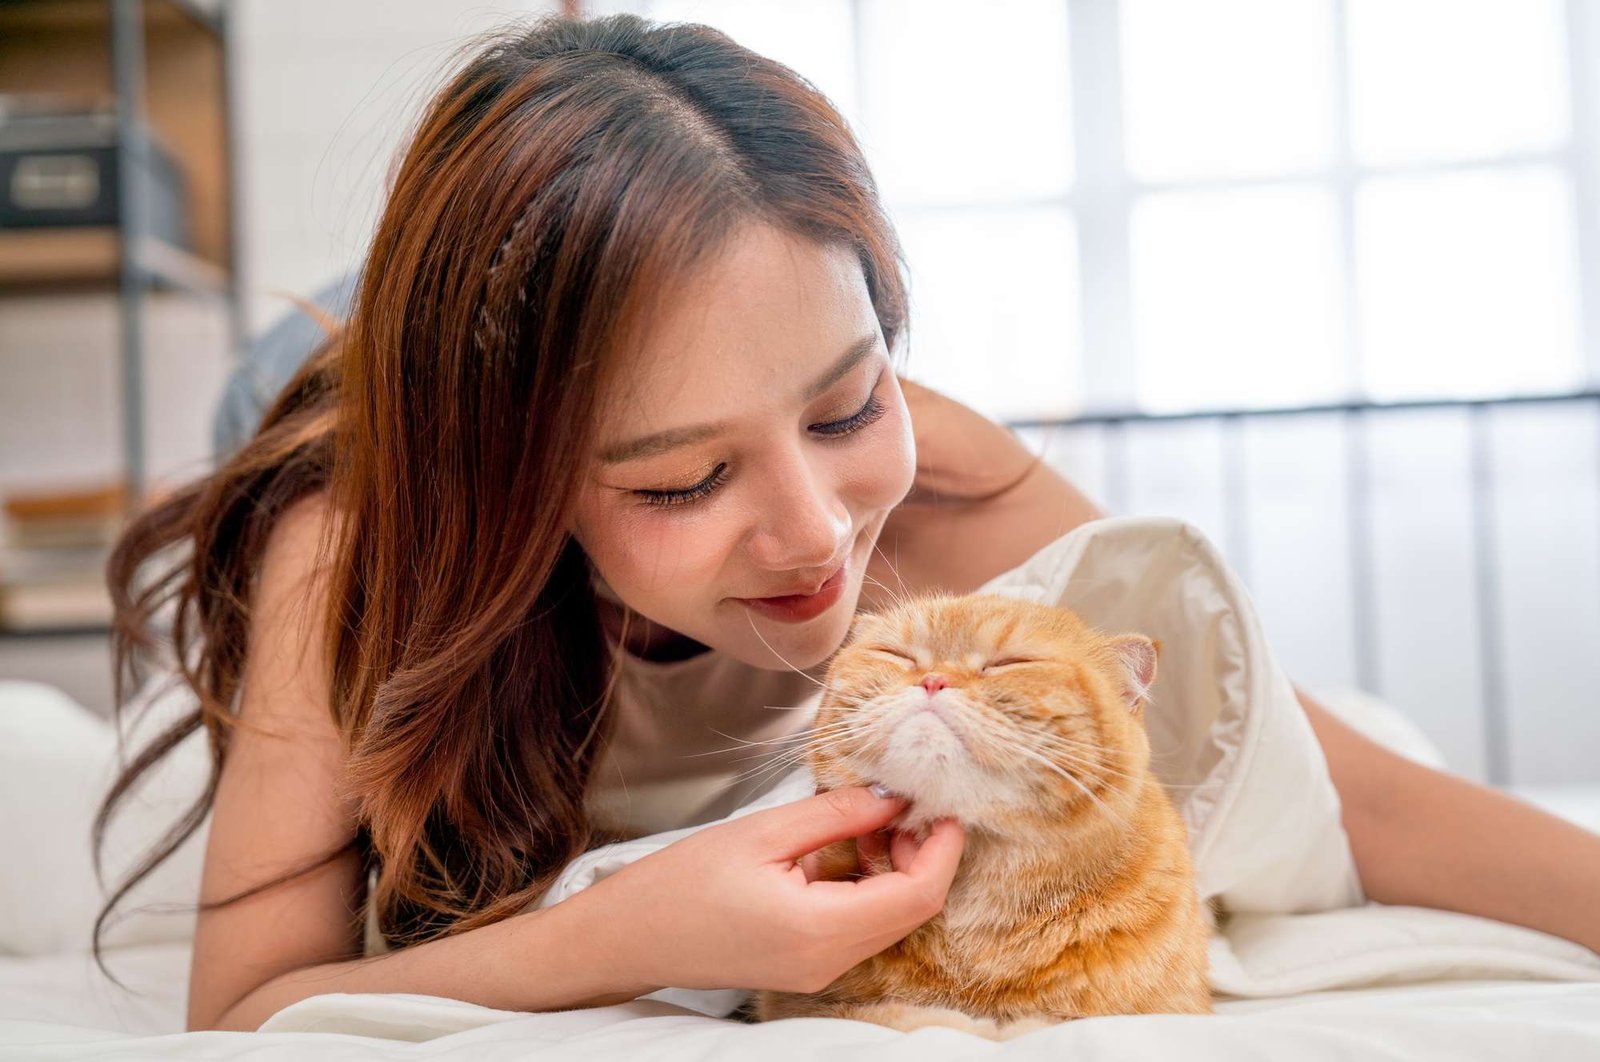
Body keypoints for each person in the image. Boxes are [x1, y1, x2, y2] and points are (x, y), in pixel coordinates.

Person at [96, 11, 1600, 1036]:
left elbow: (1351, 787)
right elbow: (244, 1007)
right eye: (682, 482)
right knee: (321, 364)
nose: (820, 538)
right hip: (347, 391)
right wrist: (635, 928)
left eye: (842, 403)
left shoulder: (936, 487)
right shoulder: (349, 552)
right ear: (525, 490)